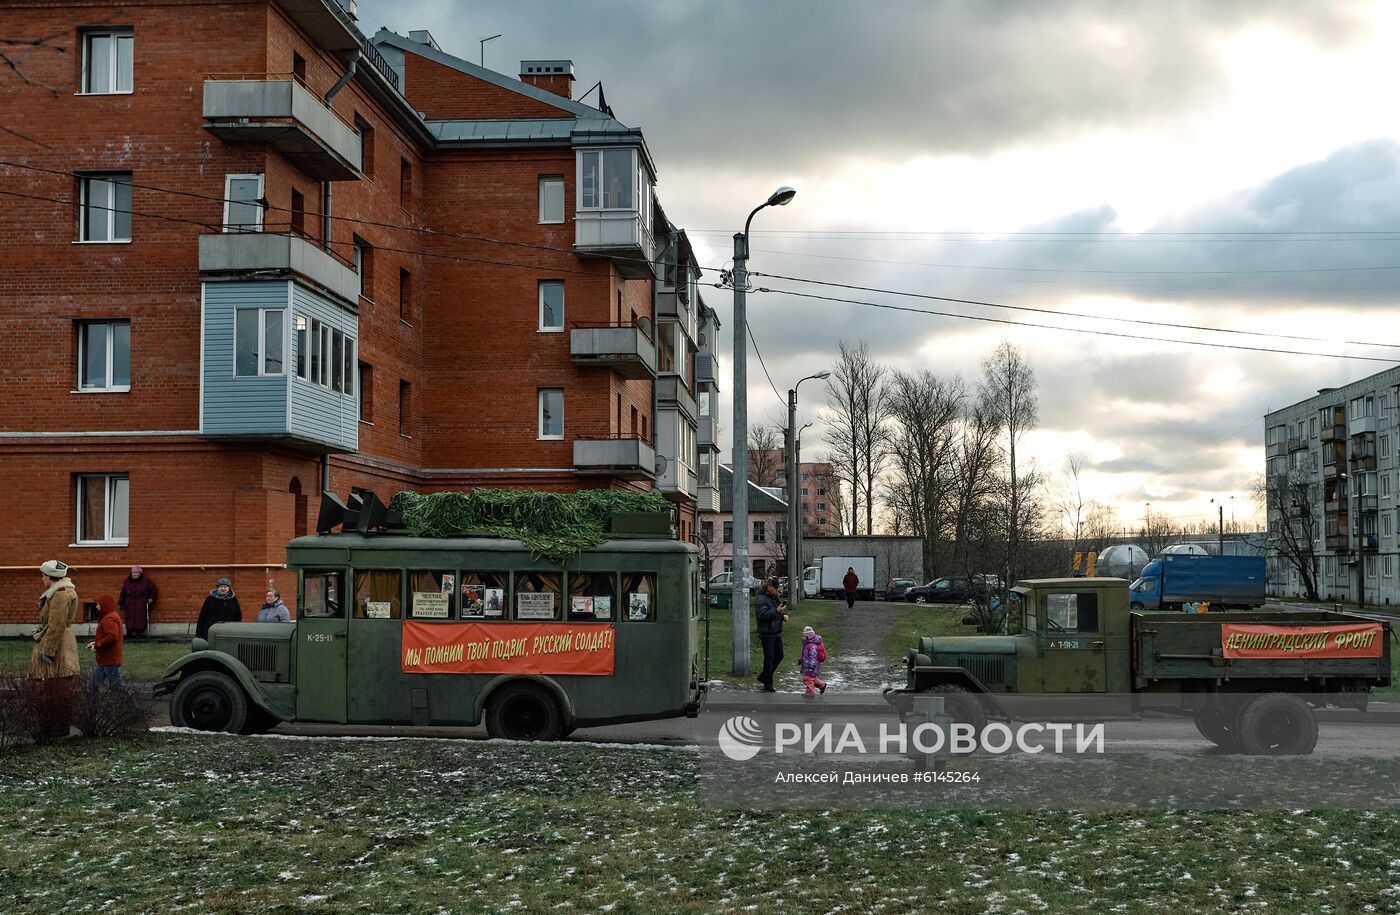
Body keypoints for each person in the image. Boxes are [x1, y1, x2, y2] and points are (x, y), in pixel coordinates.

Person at [31, 559, 81, 680]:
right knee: (60, 678)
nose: (42, 578)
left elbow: (56, 624)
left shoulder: (60, 594)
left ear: (50, 577)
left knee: (55, 678)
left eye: (44, 575)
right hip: (61, 639)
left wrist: (48, 651)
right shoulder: (62, 591)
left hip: (59, 642)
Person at [755, 577, 789, 693]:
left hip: (776, 631)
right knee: (769, 658)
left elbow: (778, 610)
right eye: (776, 588)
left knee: (779, 655)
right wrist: (777, 611)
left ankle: (764, 676)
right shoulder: (761, 599)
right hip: (767, 633)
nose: (777, 590)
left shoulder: (775, 597)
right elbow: (762, 615)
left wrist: (783, 615)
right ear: (769, 587)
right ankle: (768, 683)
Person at [86, 593, 124, 690]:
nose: (96, 606)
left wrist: (97, 645)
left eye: (98, 604)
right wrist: (95, 643)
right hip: (105, 659)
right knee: (93, 685)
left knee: (118, 688)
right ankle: (91, 704)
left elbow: (112, 636)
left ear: (104, 605)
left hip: (110, 659)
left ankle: (130, 705)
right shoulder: (109, 616)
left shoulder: (109, 618)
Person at [117, 565, 157, 638]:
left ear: (140, 573)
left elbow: (153, 590)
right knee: (129, 617)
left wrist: (151, 598)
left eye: (137, 573)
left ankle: (139, 633)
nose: (135, 574)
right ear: (131, 573)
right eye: (133, 573)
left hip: (141, 603)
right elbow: (123, 592)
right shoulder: (127, 581)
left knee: (140, 618)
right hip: (129, 603)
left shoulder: (145, 581)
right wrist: (120, 602)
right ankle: (129, 632)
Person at [799, 625, 827, 697]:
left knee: (808, 679)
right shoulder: (807, 644)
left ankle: (809, 694)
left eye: (804, 635)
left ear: (808, 636)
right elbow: (805, 654)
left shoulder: (812, 646)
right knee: (812, 679)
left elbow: (813, 657)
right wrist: (801, 659)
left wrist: (811, 666)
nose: (802, 637)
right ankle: (822, 685)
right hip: (807, 664)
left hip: (811, 666)